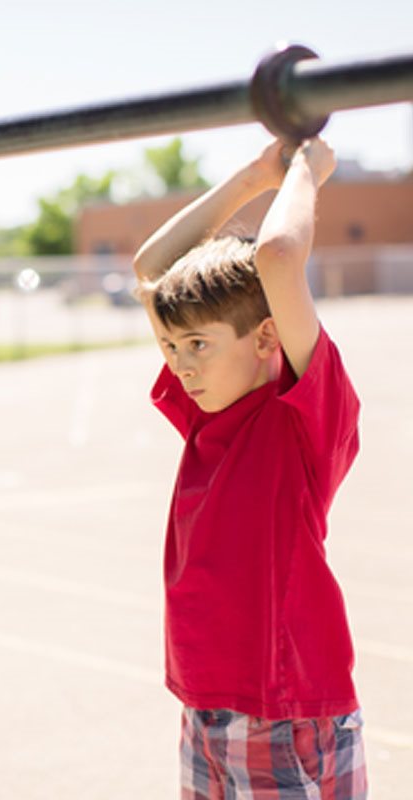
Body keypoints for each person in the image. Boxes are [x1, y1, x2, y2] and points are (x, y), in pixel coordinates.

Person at [132, 137, 368, 799]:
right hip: (206, 709)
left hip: (284, 715)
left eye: (198, 344)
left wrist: (305, 168)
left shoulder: (300, 421)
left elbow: (278, 256)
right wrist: (250, 177)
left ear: (265, 337)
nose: (180, 362)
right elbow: (151, 273)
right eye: (173, 345)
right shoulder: (205, 413)